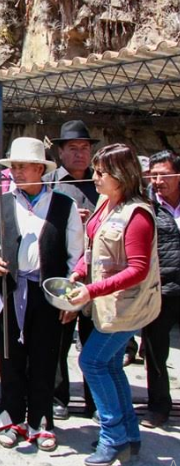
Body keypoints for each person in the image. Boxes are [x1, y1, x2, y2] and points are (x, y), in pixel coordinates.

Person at [0, 137, 84, 452]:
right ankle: (10, 420)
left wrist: (70, 298)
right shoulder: (2, 203)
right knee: (10, 359)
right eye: (13, 166)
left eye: (22, 166)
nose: (16, 172)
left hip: (47, 295)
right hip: (11, 293)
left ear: (40, 168)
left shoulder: (64, 206)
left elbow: (75, 256)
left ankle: (41, 423)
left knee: (44, 360)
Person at [66, 143, 161, 466]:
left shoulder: (137, 215)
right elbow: (94, 248)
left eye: (101, 172)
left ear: (121, 175)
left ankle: (113, 437)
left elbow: (138, 269)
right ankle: (129, 435)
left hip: (126, 307)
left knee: (92, 362)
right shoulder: (107, 204)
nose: (95, 177)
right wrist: (80, 272)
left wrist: (92, 290)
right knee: (108, 365)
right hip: (108, 304)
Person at [44, 120, 100, 420]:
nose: (80, 154)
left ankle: (95, 401)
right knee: (59, 340)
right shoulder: (50, 181)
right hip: (62, 272)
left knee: (94, 344)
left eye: (85, 148)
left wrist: (91, 220)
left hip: (95, 276)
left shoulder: (103, 182)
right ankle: (58, 398)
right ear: (61, 152)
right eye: (73, 148)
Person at [140, 150, 180, 429]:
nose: (157, 181)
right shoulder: (146, 206)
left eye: (163, 175)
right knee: (155, 352)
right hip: (162, 289)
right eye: (153, 176)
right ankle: (158, 406)